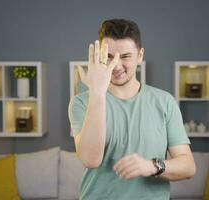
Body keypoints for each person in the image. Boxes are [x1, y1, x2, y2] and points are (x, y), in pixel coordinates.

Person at [68, 18, 196, 200]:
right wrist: (97, 92)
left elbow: (188, 167)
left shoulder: (165, 101)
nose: (116, 66)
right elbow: (90, 159)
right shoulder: (81, 103)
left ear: (140, 55)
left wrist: (152, 166)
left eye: (126, 56)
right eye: (109, 57)